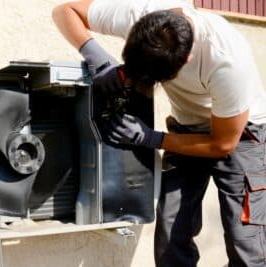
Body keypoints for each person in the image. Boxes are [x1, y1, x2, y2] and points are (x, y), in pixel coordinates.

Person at [52, 0, 266, 266]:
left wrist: (154, 139)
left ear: (185, 60)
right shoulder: (143, 15)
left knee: (245, 244)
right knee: (170, 235)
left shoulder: (226, 61)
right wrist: (95, 53)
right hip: (186, 126)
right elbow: (65, 11)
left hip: (240, 136)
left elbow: (222, 144)